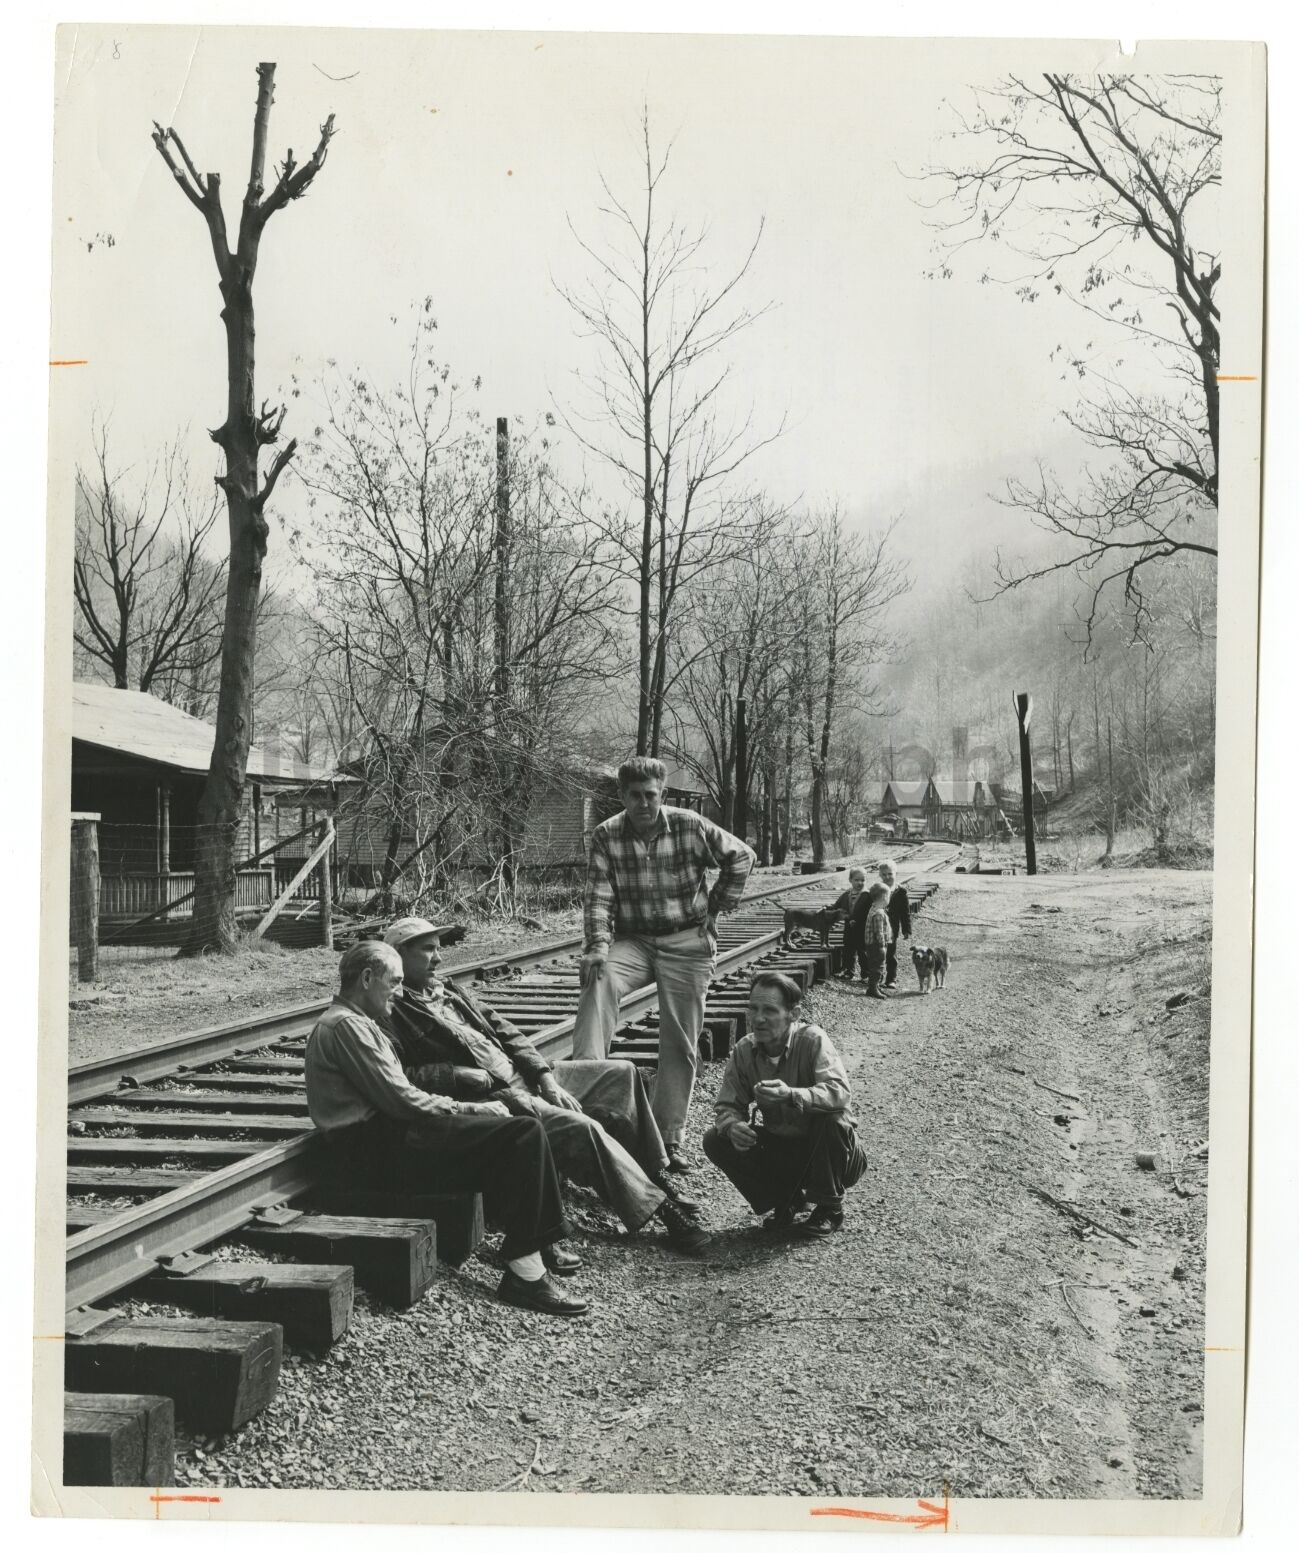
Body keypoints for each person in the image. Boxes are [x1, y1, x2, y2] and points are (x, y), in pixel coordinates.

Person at [380, 917, 709, 1255]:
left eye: (438, 949)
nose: (438, 958)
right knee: (584, 1127)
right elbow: (399, 1076)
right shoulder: (391, 1008)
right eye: (427, 950)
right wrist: (455, 1075)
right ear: (397, 955)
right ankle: (661, 1211)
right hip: (499, 1095)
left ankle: (655, 1176)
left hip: (526, 1078)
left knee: (621, 1073)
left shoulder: (446, 988)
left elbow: (506, 1031)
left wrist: (546, 1078)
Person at [304, 940, 590, 1316]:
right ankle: (527, 1274)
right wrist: (469, 1108)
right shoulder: (347, 1027)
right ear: (368, 978)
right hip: (370, 1151)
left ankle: (535, 1248)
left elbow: (401, 1097)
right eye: (394, 982)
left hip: (383, 1140)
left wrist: (471, 1111)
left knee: (516, 1130)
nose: (399, 992)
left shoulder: (356, 1023)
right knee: (521, 1134)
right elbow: (401, 1099)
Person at [572, 756, 756, 1171]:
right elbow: (598, 896)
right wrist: (597, 946)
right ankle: (585, 1108)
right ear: (622, 796)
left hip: (686, 941)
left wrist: (717, 906)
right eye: (634, 796)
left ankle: (666, 1139)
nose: (643, 803)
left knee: (680, 1040)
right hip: (634, 941)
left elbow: (742, 856)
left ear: (663, 794)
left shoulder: (690, 825)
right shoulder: (607, 835)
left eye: (650, 795)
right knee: (597, 978)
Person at [702, 971, 866, 1237]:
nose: (758, 1019)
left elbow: (839, 1094)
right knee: (715, 1139)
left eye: (769, 1010)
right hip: (786, 1151)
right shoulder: (745, 1050)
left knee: (832, 1118)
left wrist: (792, 1095)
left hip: (833, 1154)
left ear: (794, 1013)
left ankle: (829, 1209)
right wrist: (732, 1126)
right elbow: (727, 1106)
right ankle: (785, 1200)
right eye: (753, 1008)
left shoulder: (813, 1040)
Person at [878, 861, 912, 989]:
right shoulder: (877, 889)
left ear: (895, 873)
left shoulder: (901, 892)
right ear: (880, 875)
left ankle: (891, 979)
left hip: (892, 929)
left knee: (890, 954)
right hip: (878, 927)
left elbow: (905, 913)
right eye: (884, 874)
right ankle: (878, 977)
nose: (887, 877)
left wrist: (906, 929)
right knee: (878, 954)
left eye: (890, 874)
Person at [833, 868, 869, 982]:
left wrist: (858, 920)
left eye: (862, 880)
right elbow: (837, 906)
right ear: (850, 880)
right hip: (848, 927)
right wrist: (828, 909)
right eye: (856, 880)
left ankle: (866, 974)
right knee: (848, 950)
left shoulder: (867, 896)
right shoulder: (845, 895)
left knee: (863, 952)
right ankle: (849, 971)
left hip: (862, 928)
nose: (860, 883)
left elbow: (869, 911)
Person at [863, 882, 892, 998]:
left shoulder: (873, 908)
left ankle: (876, 987)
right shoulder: (879, 913)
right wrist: (882, 946)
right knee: (878, 967)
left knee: (875, 965)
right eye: (888, 897)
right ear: (884, 898)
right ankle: (873, 989)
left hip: (871, 944)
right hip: (877, 945)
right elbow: (878, 931)